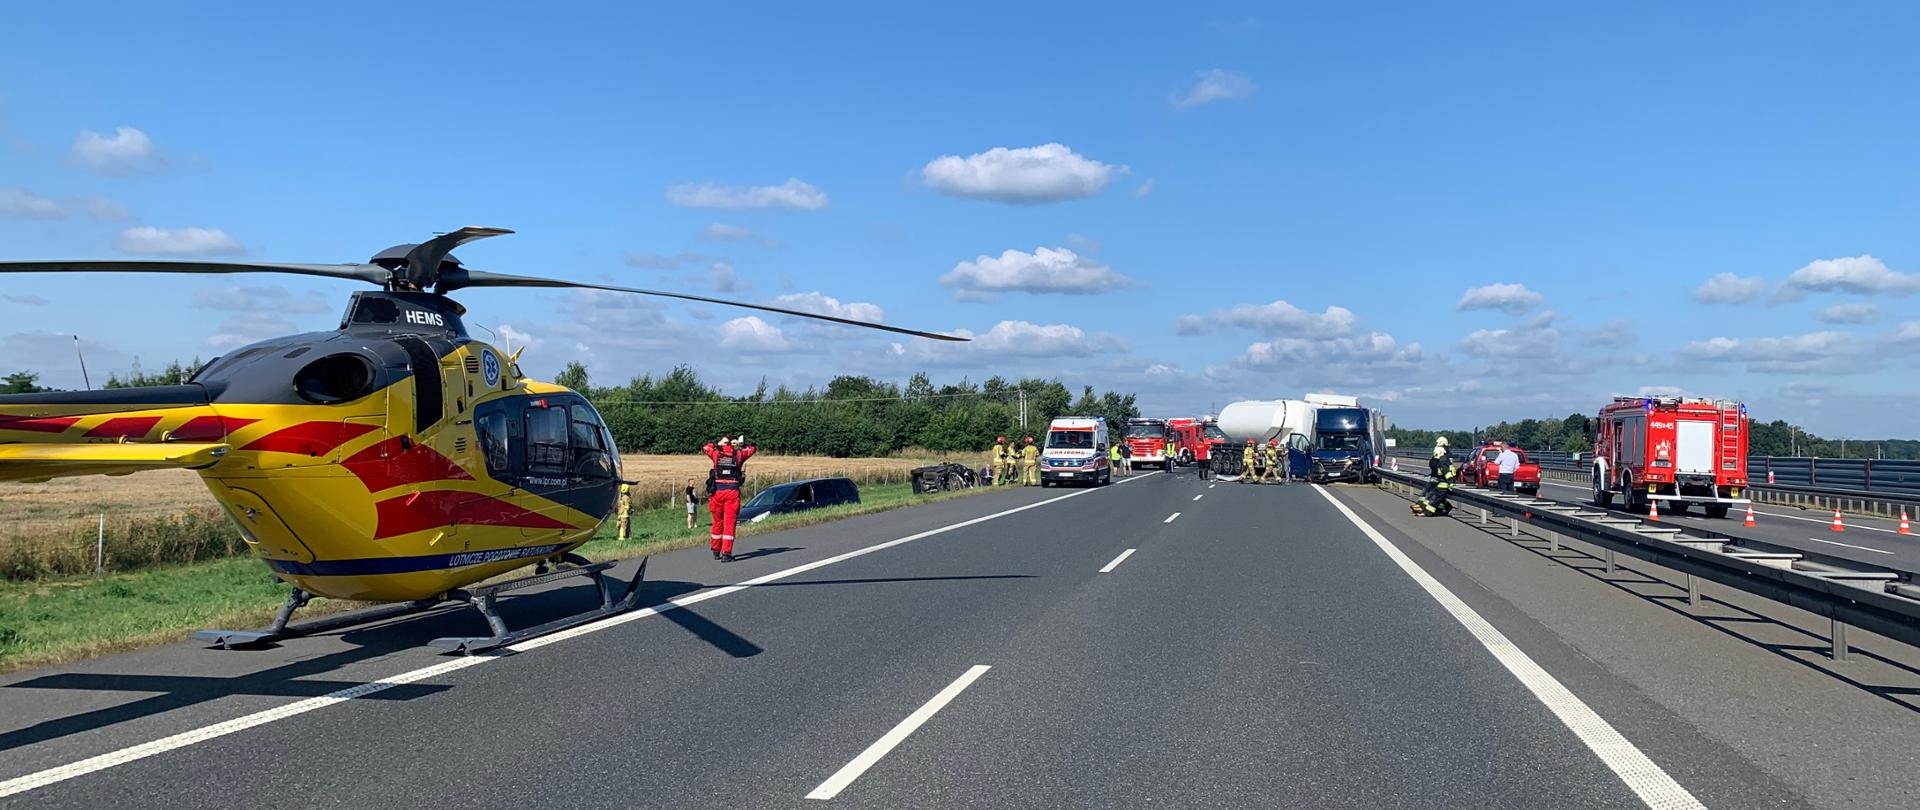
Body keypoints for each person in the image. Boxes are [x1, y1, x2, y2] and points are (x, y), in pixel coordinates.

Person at [703, 435, 756, 562]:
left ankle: (716, 550)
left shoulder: (716, 453)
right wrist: (741, 444)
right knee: (729, 523)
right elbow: (752, 448)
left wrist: (719, 443)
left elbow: (706, 447)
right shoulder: (739, 454)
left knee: (717, 521)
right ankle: (726, 553)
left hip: (717, 492)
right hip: (732, 492)